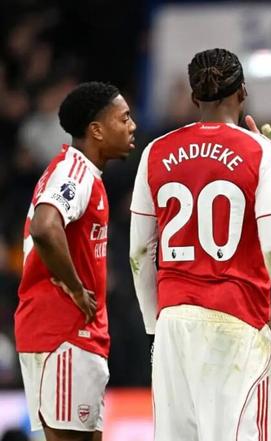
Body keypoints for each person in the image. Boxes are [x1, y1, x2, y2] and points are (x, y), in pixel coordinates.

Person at [129, 48, 271, 441]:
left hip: (173, 324)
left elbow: (140, 253)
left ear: (194, 97)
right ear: (242, 92)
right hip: (235, 323)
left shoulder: (155, 152)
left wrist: (153, 329)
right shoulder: (260, 151)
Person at [15, 81, 136, 441]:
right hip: (63, 333)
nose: (132, 126)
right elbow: (44, 227)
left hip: (73, 336)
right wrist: (75, 287)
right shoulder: (75, 173)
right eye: (123, 118)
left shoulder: (83, 174)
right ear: (96, 130)